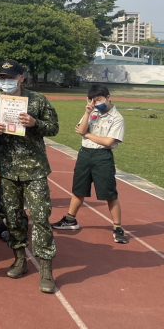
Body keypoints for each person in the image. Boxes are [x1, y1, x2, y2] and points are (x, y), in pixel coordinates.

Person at [0, 59, 59, 293]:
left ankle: (46, 268)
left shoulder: (37, 100)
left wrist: (35, 123)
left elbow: (54, 127)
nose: (6, 82)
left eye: (10, 77)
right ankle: (19, 259)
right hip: (7, 170)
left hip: (34, 169)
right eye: (2, 78)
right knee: (14, 218)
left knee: (39, 217)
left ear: (21, 78)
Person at [52, 84, 128, 244]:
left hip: (102, 157)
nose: (96, 103)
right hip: (85, 154)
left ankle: (118, 227)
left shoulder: (117, 118)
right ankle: (70, 219)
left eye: (99, 100)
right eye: (93, 100)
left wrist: (87, 134)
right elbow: (80, 129)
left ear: (108, 98)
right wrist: (87, 113)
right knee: (78, 189)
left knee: (109, 193)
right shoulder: (92, 112)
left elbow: (108, 142)